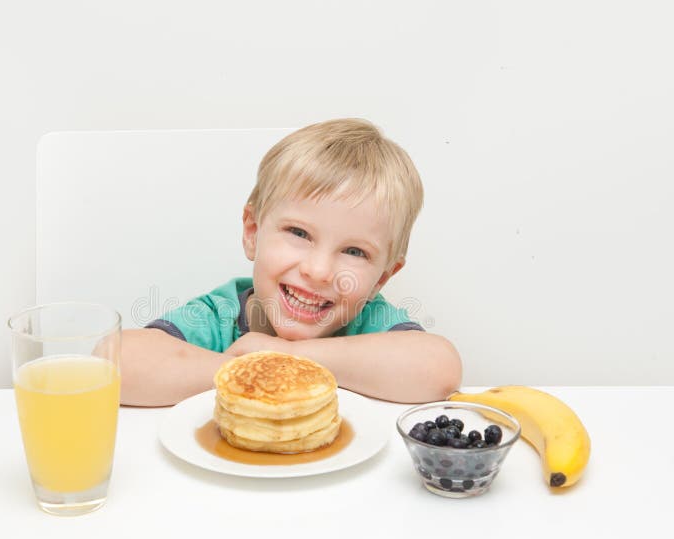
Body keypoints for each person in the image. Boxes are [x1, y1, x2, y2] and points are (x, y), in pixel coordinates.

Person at [121, 118, 462, 406]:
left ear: (382, 278)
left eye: (354, 252)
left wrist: (280, 355)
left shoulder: (370, 322)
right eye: (299, 233)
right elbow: (117, 359)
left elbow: (439, 370)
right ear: (253, 232)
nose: (318, 271)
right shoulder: (219, 316)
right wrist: (250, 371)